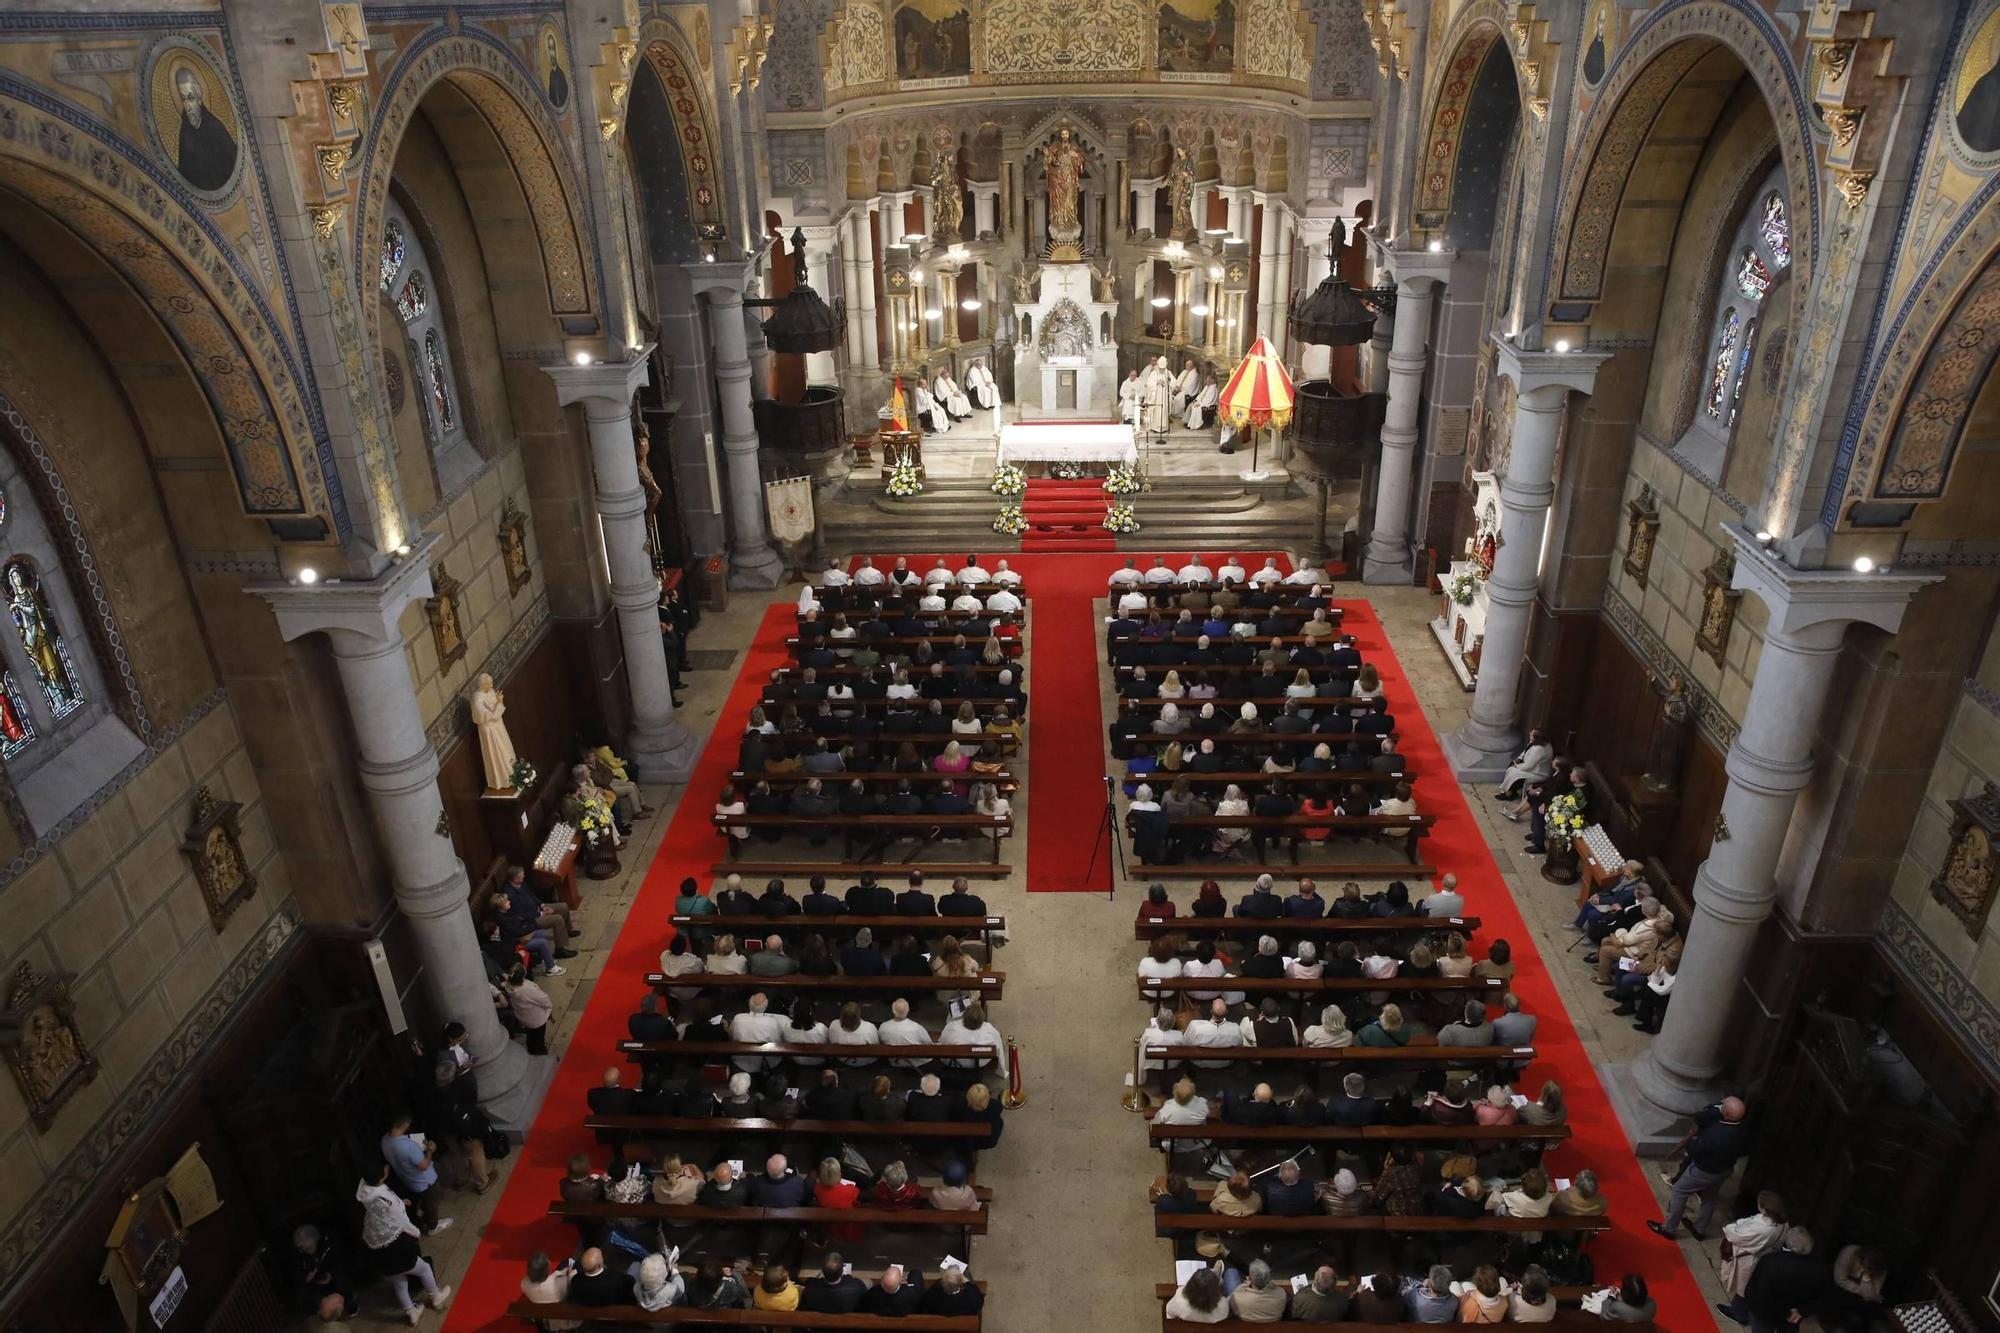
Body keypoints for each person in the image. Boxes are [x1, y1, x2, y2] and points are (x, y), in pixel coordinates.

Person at [356, 1160, 453, 1324]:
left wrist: (400, 1202)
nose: (387, 1167)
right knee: (424, 1268)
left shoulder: (365, 1189)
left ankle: (411, 1311)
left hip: (378, 1246)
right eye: (384, 1167)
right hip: (396, 1245)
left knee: (399, 1279)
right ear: (383, 1174)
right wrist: (415, 1233)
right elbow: (401, 1220)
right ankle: (436, 1295)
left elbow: (385, 1207)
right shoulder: (386, 1199)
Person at [1649, 1095, 1751, 1241]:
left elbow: (1695, 1148)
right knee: (1710, 1197)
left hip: (1704, 1170)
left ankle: (1669, 1228)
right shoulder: (1743, 1129)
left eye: (1723, 1106)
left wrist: (1693, 1143)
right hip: (1724, 1169)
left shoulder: (1716, 1133)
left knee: (1679, 1191)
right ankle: (1700, 1229)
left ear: (1726, 1114)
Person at [379, 1111, 452, 1237]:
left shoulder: (385, 1140)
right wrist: (430, 1151)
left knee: (422, 1198)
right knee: (432, 1200)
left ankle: (421, 1211)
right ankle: (432, 1225)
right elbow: (424, 1165)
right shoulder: (408, 1147)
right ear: (403, 1125)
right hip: (424, 1181)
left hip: (408, 1179)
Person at [519, 1251, 579, 1330]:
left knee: (566, 1262)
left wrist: (558, 1273)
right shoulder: (560, 1284)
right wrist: (566, 1273)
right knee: (571, 1264)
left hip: (541, 1312)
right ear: (546, 1269)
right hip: (560, 1318)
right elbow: (570, 1282)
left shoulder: (524, 1283)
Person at [800, 1252, 867, 1313]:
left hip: (820, 1319)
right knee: (868, 1282)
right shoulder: (857, 1286)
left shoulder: (810, 1286)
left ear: (823, 1271)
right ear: (841, 1272)